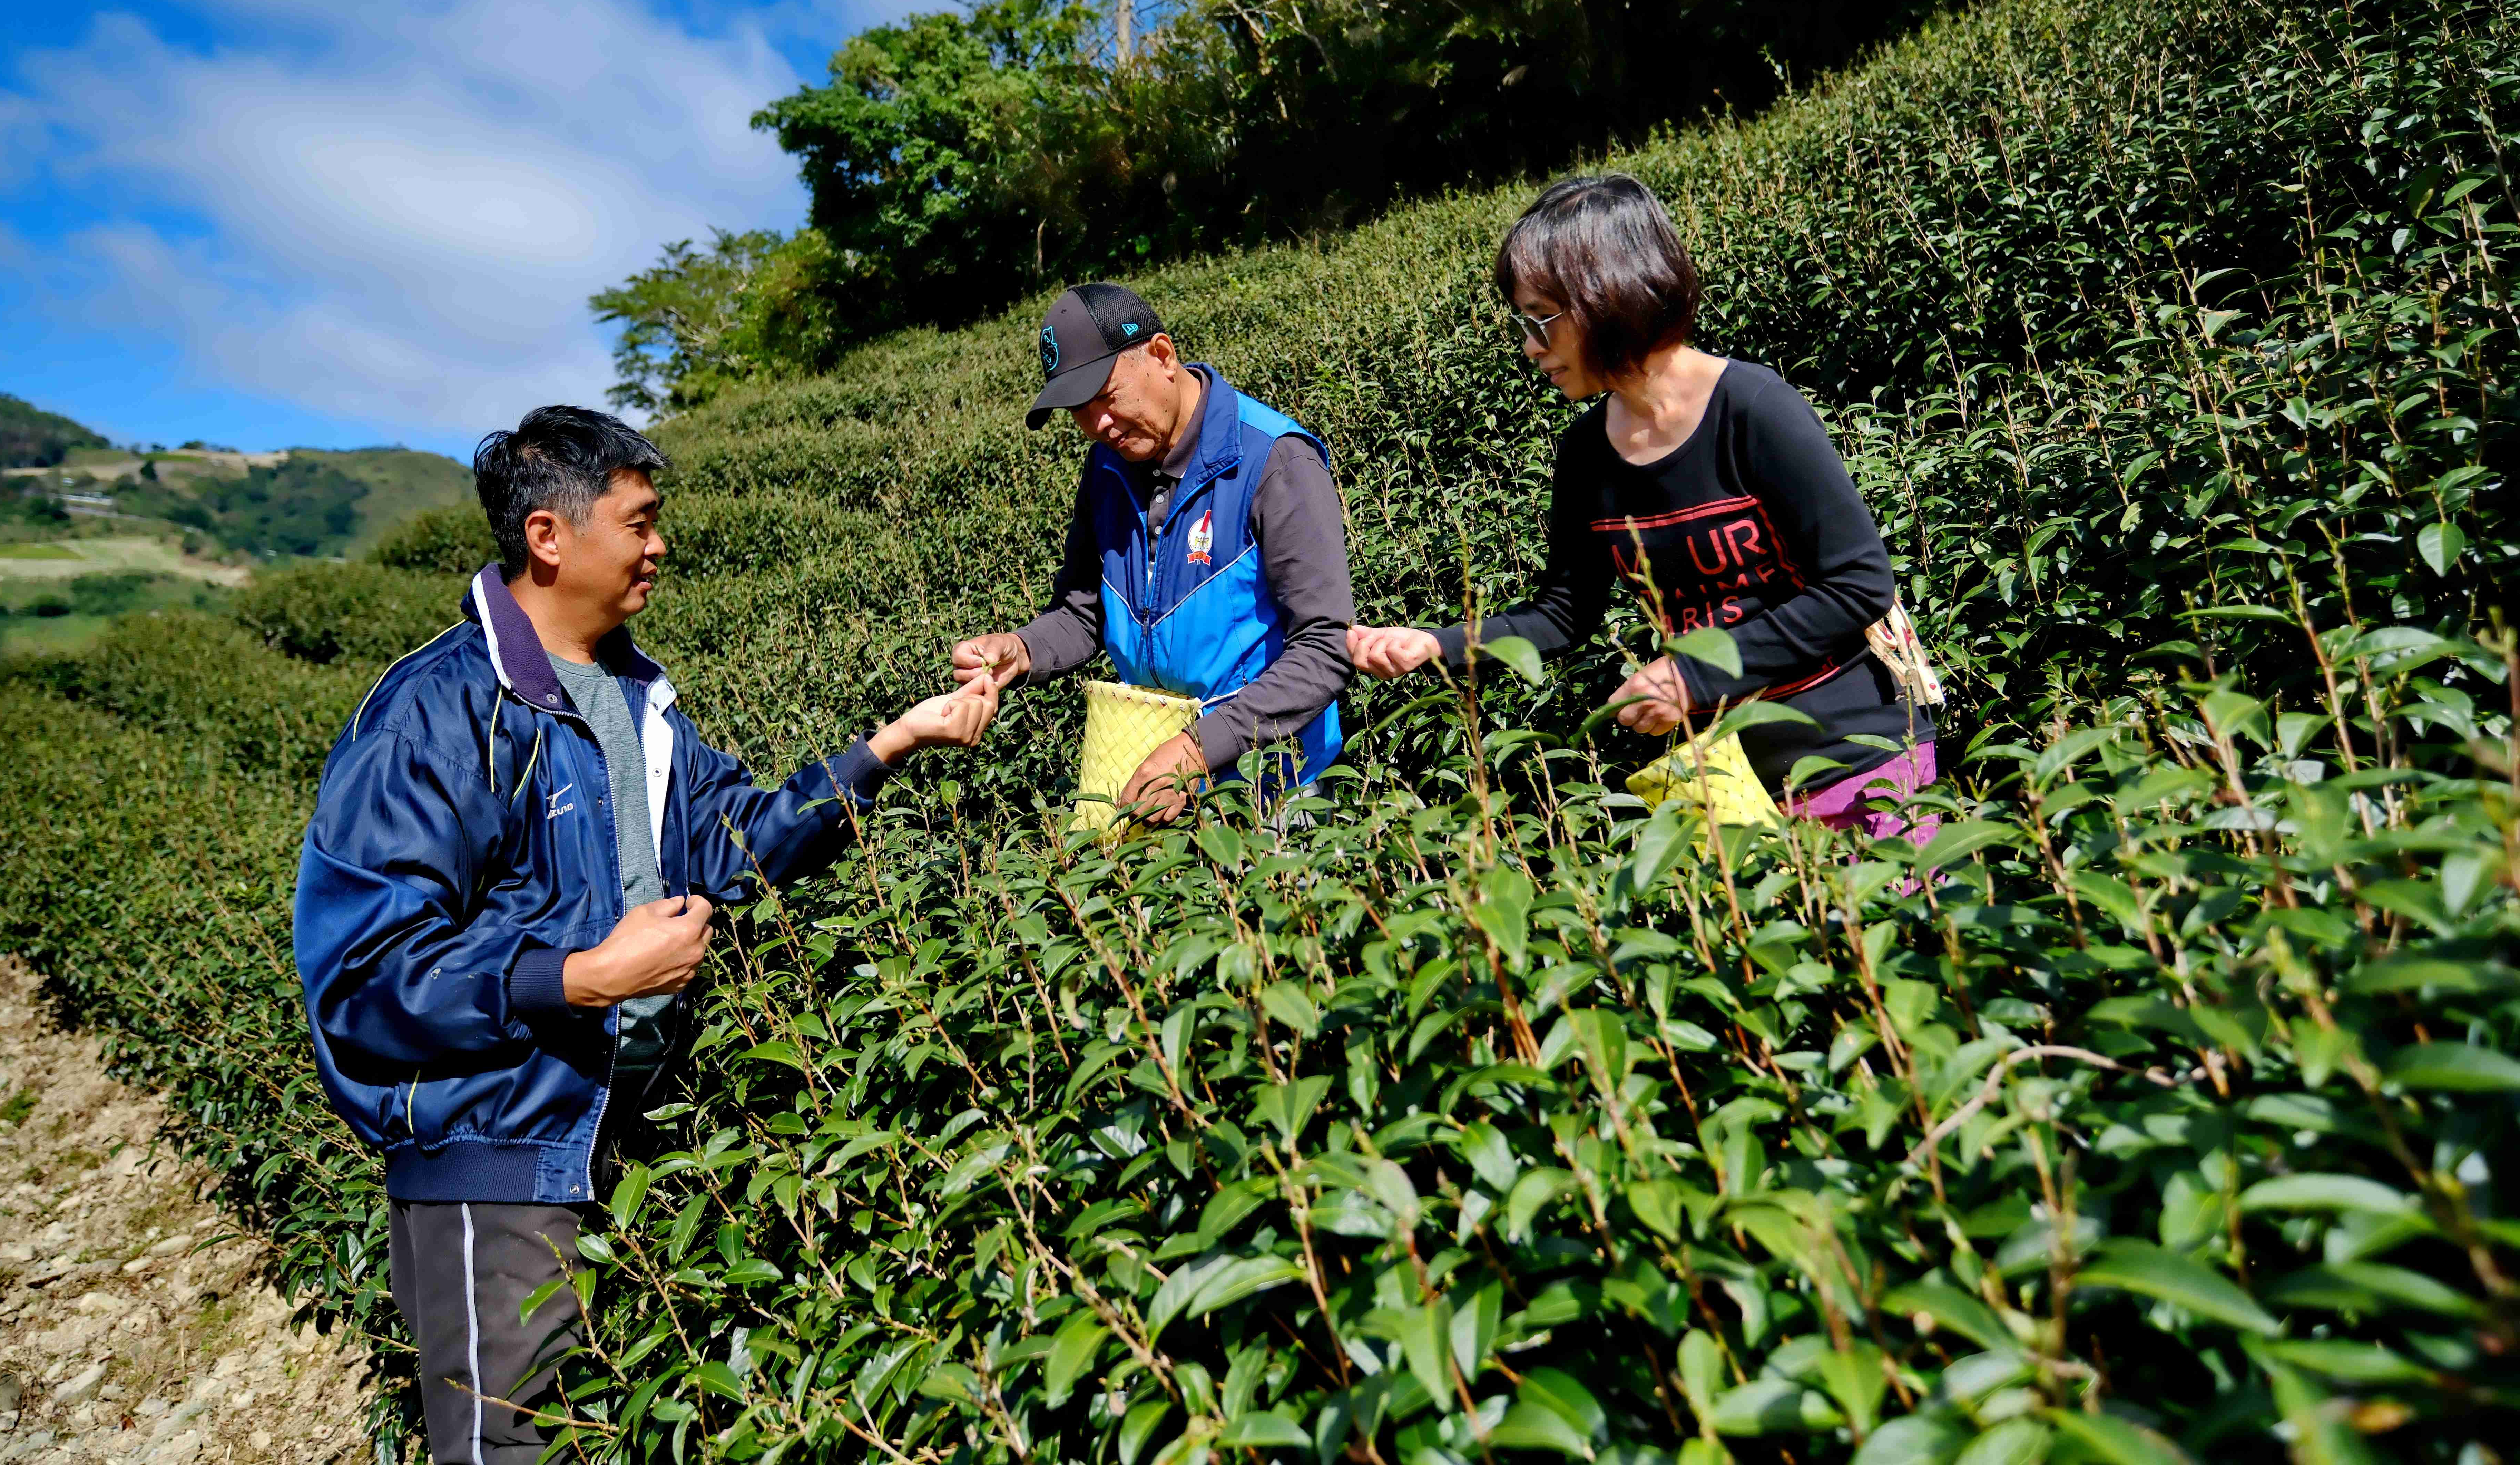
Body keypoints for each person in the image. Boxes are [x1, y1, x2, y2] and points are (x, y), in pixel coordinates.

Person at [292, 407, 994, 1463]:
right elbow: (365, 978)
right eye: (640, 521)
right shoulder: (435, 714)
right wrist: (581, 978)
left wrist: (892, 744)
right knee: (512, 1448)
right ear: (549, 536)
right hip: (498, 1156)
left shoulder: (634, 696)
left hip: (627, 1135)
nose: (661, 544)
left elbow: (737, 844)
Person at [1344, 174, 1939, 836]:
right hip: (1724, 778)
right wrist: (1437, 645)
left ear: (1610, 297)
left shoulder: (1754, 409)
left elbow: (1858, 584)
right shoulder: (1585, 455)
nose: (1530, 346)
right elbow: (1564, 614)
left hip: (1855, 755)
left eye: (1542, 319)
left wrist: (1693, 672)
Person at [951, 283, 1353, 820]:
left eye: (1105, 397)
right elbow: (1084, 611)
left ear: (1162, 356)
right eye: (1079, 410)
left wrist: (1197, 750)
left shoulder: (1275, 461)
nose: (1097, 426)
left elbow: (1326, 646)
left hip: (1277, 788)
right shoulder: (1108, 468)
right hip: (1159, 779)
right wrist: (1021, 651)